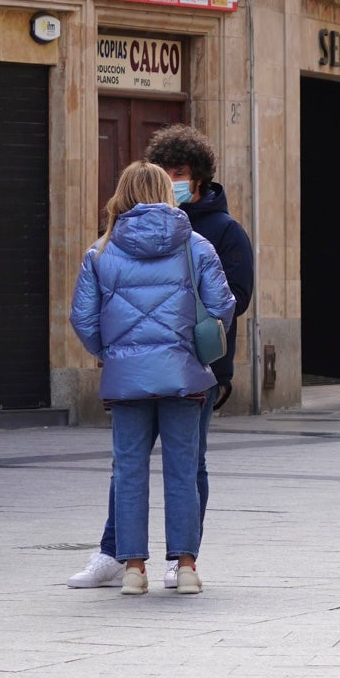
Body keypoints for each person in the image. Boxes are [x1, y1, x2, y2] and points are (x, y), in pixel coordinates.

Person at [68, 124, 254, 590]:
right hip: (186, 375)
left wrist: (113, 352)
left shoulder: (101, 250)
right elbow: (225, 305)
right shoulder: (197, 244)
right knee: (184, 469)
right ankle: (186, 566)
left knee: (128, 470)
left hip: (127, 378)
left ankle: (133, 570)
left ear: (124, 193)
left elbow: (82, 319)